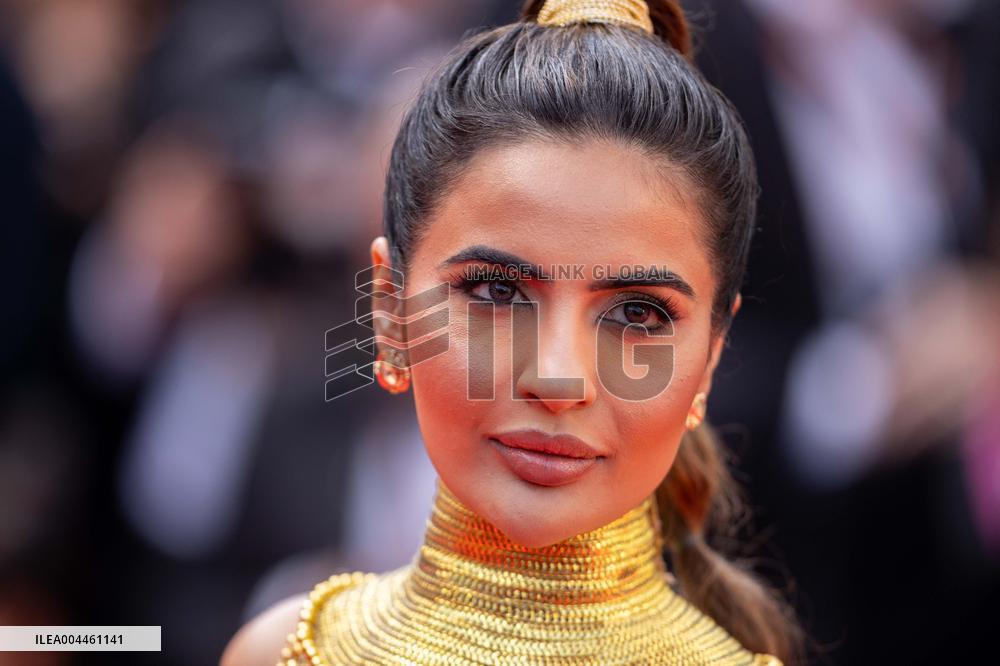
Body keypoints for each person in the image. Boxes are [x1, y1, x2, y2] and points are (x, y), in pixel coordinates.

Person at [222, 0, 803, 663]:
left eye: (638, 314)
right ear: (389, 310)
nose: (557, 378)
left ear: (710, 358)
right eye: (497, 293)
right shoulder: (284, 652)